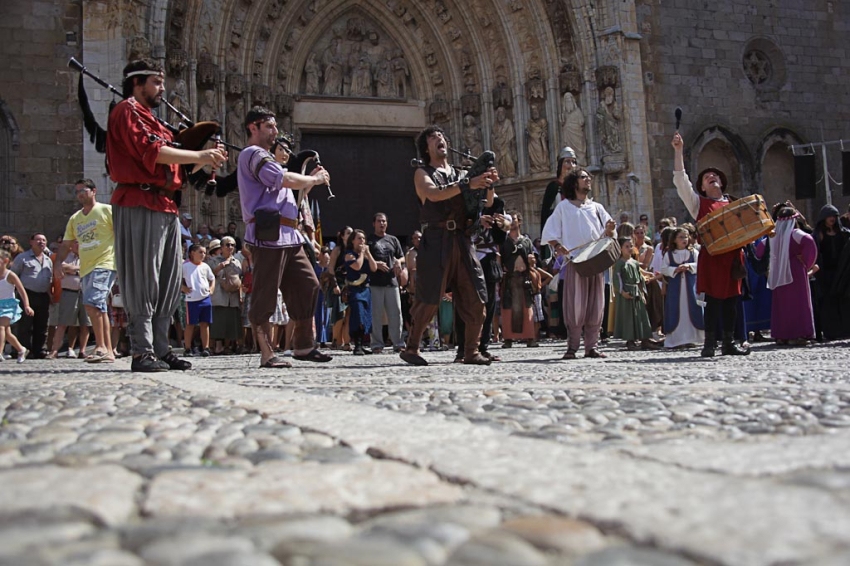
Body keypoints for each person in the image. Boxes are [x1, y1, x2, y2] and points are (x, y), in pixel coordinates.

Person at [106, 58, 227, 372]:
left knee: (168, 283)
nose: (162, 89)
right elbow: (153, 153)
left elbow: (178, 167)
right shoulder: (127, 111)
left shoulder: (154, 120)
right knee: (143, 279)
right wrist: (200, 154)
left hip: (166, 206)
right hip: (139, 200)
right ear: (138, 82)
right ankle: (141, 351)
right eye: (156, 82)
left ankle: (161, 348)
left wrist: (206, 160)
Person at [236, 106, 332, 368]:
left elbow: (288, 184)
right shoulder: (254, 154)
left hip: (290, 236)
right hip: (269, 235)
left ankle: (303, 345)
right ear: (253, 128)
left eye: (275, 126)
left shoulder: (267, 157)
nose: (275, 131)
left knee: (308, 284)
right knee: (265, 295)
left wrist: (307, 181)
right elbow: (283, 179)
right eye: (269, 126)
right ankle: (267, 352)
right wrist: (314, 180)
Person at [400, 125, 499, 366]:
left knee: (476, 296)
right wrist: (468, 184)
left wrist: (488, 182)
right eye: (434, 138)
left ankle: (471, 351)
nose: (439, 139)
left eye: (442, 136)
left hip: (463, 240)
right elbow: (433, 194)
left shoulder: (461, 173)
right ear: (427, 147)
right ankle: (411, 348)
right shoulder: (422, 172)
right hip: (436, 240)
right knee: (430, 298)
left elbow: (487, 203)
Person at [672, 132, 749, 357]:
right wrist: (678, 151)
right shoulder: (698, 203)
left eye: (715, 175)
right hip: (713, 258)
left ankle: (728, 343)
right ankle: (710, 344)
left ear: (722, 182)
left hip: (733, 259)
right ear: (703, 188)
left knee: (731, 304)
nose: (711, 176)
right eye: (706, 177)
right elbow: (680, 180)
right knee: (714, 302)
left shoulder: (733, 203)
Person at [542, 169, 616, 359]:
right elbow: (550, 231)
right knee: (575, 307)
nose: (588, 180)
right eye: (584, 177)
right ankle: (572, 347)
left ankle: (592, 347)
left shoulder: (597, 207)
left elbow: (609, 233)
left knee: (595, 305)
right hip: (576, 262)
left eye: (588, 177)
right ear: (574, 183)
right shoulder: (564, 207)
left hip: (596, 260)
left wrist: (610, 230)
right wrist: (558, 246)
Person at [54, 179, 117, 363]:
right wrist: (58, 263)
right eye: (77, 191)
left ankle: (101, 346)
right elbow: (66, 244)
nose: (80, 193)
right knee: (98, 307)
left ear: (94, 191)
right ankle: (107, 351)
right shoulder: (76, 219)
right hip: (86, 267)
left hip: (105, 263)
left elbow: (122, 233)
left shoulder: (106, 210)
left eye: (84, 190)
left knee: (92, 303)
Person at [758, 207, 818, 345]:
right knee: (798, 302)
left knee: (782, 304)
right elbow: (810, 242)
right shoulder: (795, 234)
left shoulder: (772, 236)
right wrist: (805, 261)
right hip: (795, 271)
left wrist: (771, 263)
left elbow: (760, 250)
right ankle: (798, 334)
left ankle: (781, 335)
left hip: (778, 272)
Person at [366, 213, 406, 353]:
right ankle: (377, 344)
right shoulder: (369, 240)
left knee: (396, 313)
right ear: (374, 223)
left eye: (384, 221)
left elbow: (402, 257)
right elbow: (364, 258)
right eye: (379, 221)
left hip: (391, 281)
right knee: (376, 315)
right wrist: (375, 263)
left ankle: (398, 343)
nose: (381, 224)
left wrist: (398, 262)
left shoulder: (393, 240)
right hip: (375, 282)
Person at [613, 237, 661, 351]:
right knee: (629, 316)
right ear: (620, 249)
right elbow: (617, 279)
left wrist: (642, 292)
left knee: (641, 315)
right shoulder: (619, 263)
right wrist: (622, 291)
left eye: (631, 246)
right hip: (627, 292)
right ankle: (630, 340)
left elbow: (639, 278)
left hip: (637, 292)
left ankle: (645, 339)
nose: (629, 249)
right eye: (626, 246)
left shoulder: (634, 263)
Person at [660, 227, 704, 348]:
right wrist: (675, 269)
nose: (684, 239)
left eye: (686, 237)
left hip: (691, 287)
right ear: (674, 239)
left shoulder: (693, 252)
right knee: (676, 309)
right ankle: (677, 340)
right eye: (681, 237)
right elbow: (663, 269)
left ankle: (693, 338)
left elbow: (700, 264)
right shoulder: (669, 254)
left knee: (692, 308)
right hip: (676, 288)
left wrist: (689, 266)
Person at [10, 234, 52, 358]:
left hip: (43, 295)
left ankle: (39, 350)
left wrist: (51, 296)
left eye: (44, 240)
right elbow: (13, 276)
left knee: (42, 324)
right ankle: (23, 349)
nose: (41, 242)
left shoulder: (48, 260)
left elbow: (50, 279)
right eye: (38, 240)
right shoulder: (22, 258)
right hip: (27, 294)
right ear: (31, 242)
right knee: (24, 324)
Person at [812, 204, 850, 341]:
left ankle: (845, 329)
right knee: (828, 303)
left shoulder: (844, 234)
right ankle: (831, 331)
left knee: (843, 302)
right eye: (829, 216)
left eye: (834, 216)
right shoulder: (818, 235)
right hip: (826, 274)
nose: (832, 219)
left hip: (842, 273)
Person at [500, 212, 537, 348]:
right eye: (510, 221)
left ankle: (530, 337)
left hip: (524, 279)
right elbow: (500, 260)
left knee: (527, 308)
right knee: (509, 309)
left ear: (519, 221)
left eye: (514, 220)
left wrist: (532, 262)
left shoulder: (526, 241)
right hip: (510, 279)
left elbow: (532, 260)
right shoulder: (504, 242)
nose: (513, 223)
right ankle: (508, 339)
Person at [48, 241, 91, 360]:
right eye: (76, 243)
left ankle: (82, 351)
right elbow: (62, 267)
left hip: (85, 293)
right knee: (62, 323)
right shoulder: (65, 256)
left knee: (85, 324)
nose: (78, 245)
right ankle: (54, 350)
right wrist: (80, 269)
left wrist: (73, 270)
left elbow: (91, 270)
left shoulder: (88, 256)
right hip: (69, 292)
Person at [345, 230, 378, 355]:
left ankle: (362, 344)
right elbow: (357, 266)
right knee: (357, 315)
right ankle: (356, 345)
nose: (362, 241)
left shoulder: (365, 254)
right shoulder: (349, 255)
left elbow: (374, 268)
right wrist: (362, 254)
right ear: (353, 240)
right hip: (355, 289)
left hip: (366, 289)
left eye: (363, 238)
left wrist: (368, 254)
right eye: (359, 238)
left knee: (365, 316)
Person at [209, 236, 242, 354]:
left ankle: (227, 346)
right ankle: (218, 346)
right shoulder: (214, 260)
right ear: (221, 247)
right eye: (227, 245)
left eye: (232, 245)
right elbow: (212, 273)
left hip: (232, 295)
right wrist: (224, 264)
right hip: (219, 294)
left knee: (230, 320)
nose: (230, 247)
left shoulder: (237, 261)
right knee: (219, 320)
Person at [0, 249, 34, 363]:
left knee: (0, 327)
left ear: (5, 261)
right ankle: (21, 349)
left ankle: (0, 353)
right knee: (7, 333)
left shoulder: (10, 275)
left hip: (8, 305)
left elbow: (22, 291)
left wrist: (27, 305)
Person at [182, 244, 215, 356]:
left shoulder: (205, 266)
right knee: (190, 324)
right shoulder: (185, 266)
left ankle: (205, 347)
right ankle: (187, 348)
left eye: (204, 253)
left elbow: (212, 278)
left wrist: (211, 289)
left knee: (204, 323)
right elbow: (177, 279)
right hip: (192, 299)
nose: (203, 255)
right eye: (200, 252)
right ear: (192, 253)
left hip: (205, 298)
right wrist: (183, 288)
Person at [540, 147, 577, 232]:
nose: (571, 165)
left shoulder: (577, 187)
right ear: (561, 164)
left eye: (574, 162)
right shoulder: (553, 187)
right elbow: (545, 214)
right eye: (567, 161)